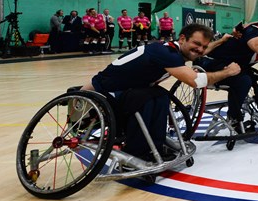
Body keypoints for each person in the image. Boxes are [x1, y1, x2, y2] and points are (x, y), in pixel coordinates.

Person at [81, 24, 240, 160]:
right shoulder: (165, 53)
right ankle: (137, 152)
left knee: (161, 96)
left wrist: (221, 41)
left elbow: (199, 51)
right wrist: (228, 72)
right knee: (146, 98)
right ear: (182, 38)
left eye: (204, 46)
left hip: (125, 88)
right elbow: (196, 81)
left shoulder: (174, 50)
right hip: (107, 92)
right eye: (197, 43)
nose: (200, 50)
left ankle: (155, 146)